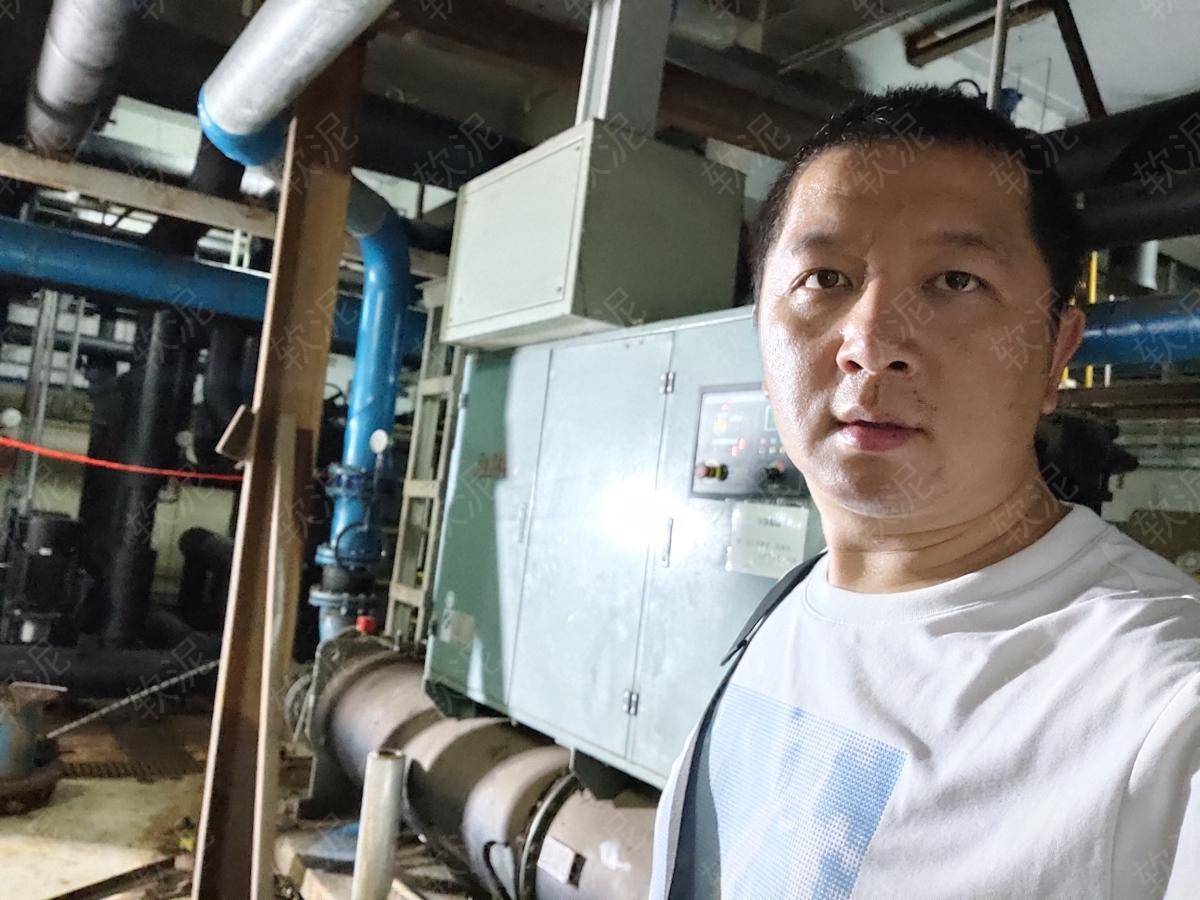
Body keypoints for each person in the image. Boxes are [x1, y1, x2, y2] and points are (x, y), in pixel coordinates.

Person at [648, 85, 1199, 899]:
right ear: (761, 338)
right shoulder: (780, 619)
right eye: (825, 277)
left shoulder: (1163, 713)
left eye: (955, 280)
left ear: (1056, 352)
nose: (871, 343)